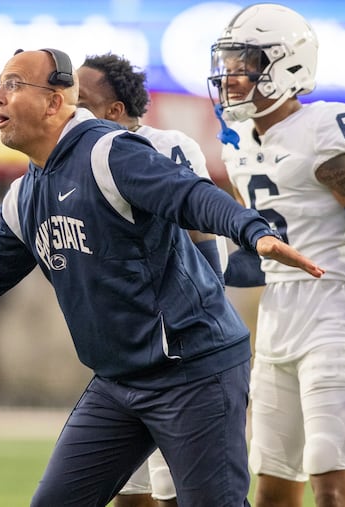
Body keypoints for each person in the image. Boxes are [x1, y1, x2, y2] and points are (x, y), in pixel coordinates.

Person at [0, 47, 324, 506]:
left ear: (56, 102)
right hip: (118, 381)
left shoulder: (108, 151)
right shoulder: (24, 194)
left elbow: (192, 195)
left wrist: (252, 230)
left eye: (13, 85)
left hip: (191, 371)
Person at [208, 3, 345, 506]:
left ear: (286, 65)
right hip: (276, 319)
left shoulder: (327, 126)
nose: (230, 76)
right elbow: (258, 253)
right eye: (227, 63)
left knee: (331, 487)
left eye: (242, 62)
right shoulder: (238, 142)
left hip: (336, 313)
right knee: (271, 489)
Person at [77, 52, 216, 507]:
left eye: (80, 99)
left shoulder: (170, 146)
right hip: (119, 345)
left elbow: (201, 238)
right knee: (128, 491)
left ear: (114, 111)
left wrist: (211, 333)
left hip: (176, 344)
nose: (68, 108)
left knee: (180, 490)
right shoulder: (69, 154)